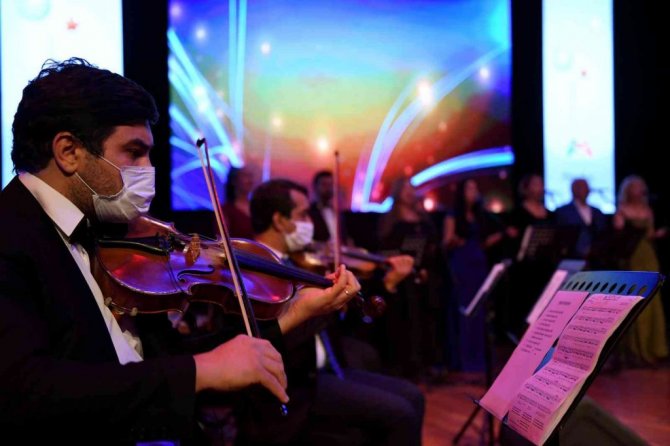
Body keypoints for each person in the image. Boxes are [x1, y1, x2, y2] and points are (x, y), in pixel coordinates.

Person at [0, 58, 360, 445]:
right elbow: (24, 392)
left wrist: (291, 317)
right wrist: (199, 371)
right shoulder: (11, 235)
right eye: (133, 152)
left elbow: (163, 362)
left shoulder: (104, 235)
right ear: (69, 151)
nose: (148, 169)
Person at [243, 178, 425, 446]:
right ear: (279, 220)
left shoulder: (297, 262)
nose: (310, 223)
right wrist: (323, 307)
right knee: (402, 413)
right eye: (303, 215)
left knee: (413, 396)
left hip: (330, 368)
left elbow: (347, 324)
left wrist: (382, 287)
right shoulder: (254, 274)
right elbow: (274, 339)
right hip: (300, 383)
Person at [442, 178, 515, 372]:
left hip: (479, 264)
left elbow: (482, 243)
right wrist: (455, 241)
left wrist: (502, 235)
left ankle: (479, 359)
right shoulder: (453, 214)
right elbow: (446, 241)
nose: (473, 192)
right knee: (465, 310)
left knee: (480, 309)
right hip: (462, 264)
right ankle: (464, 359)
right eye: (469, 188)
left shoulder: (480, 215)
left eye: (475, 188)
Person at [376, 178, 445, 381]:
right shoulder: (390, 220)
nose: (409, 192)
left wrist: (425, 269)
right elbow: (384, 250)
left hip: (422, 280)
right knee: (406, 323)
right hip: (401, 282)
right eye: (405, 188)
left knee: (426, 322)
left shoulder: (423, 219)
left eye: (411, 188)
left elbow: (433, 248)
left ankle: (426, 363)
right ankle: (407, 366)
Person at [613, 175, 668, 366]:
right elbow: (618, 234)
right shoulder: (622, 210)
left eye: (641, 187)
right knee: (637, 297)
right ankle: (636, 350)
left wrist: (659, 234)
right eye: (635, 187)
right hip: (632, 255)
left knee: (653, 297)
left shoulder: (647, 209)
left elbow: (650, 234)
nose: (639, 190)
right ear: (628, 190)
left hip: (648, 254)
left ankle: (654, 349)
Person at [554, 178, 608, 259]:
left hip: (596, 258)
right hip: (572, 257)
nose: (586, 190)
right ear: (573, 190)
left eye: (586, 187)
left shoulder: (597, 212)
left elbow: (603, 234)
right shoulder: (563, 212)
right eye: (581, 187)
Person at [220, 164, 257, 239]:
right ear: (234, 181)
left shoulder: (258, 207)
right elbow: (222, 239)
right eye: (245, 176)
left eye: (251, 176)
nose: (250, 180)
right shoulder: (226, 210)